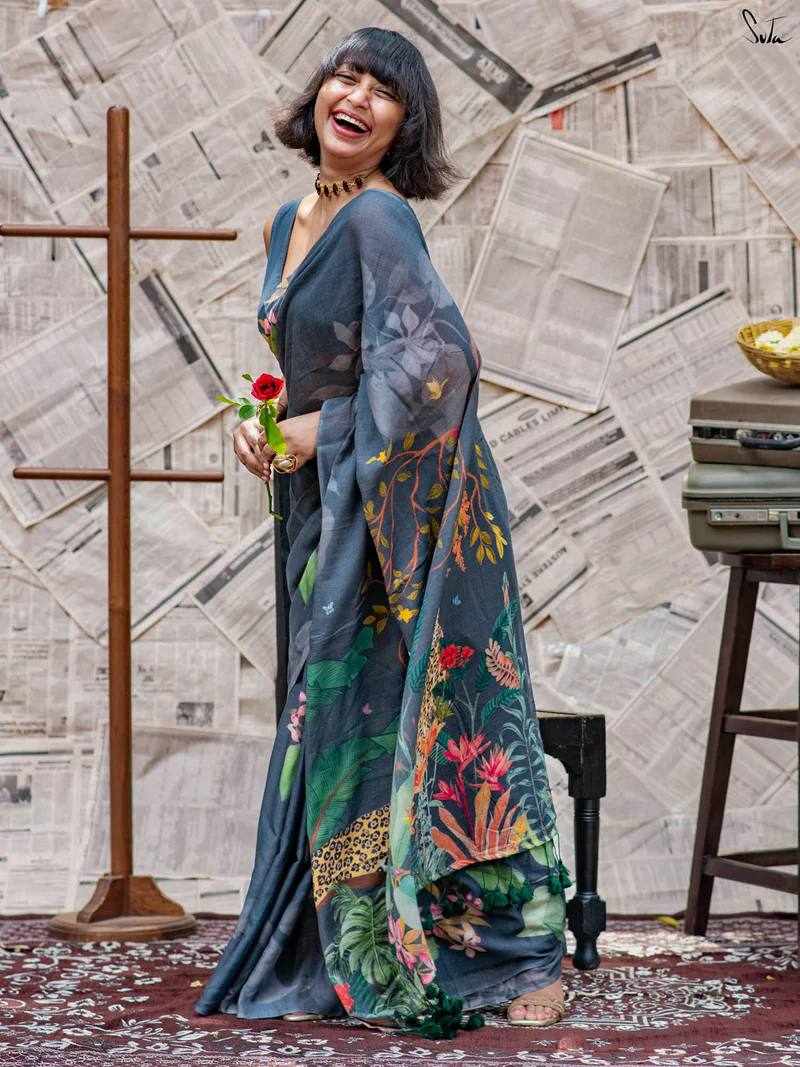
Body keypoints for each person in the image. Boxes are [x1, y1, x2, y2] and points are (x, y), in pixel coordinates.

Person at [195, 26, 570, 1036]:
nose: (354, 97)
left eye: (382, 90)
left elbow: (436, 368)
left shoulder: (378, 217)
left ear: (404, 123)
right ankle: (335, 936)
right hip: (329, 509)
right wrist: (263, 422)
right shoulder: (288, 220)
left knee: (441, 720)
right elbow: (313, 363)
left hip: (407, 511)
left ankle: (514, 954)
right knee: (331, 717)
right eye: (344, 76)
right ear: (317, 93)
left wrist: (321, 430)